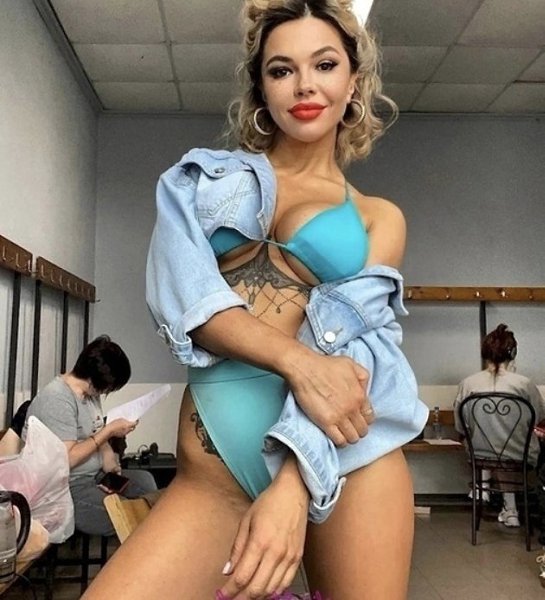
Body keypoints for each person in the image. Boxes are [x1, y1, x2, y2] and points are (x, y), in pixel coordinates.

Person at [84, 2, 428, 598]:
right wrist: (298, 362)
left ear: (354, 81)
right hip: (214, 478)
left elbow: (358, 357)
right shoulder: (196, 181)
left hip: (349, 459)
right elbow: (185, 299)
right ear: (261, 88)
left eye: (325, 64)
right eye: (281, 69)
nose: (304, 85)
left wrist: (294, 485)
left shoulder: (379, 218)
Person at [23, 335, 157, 536]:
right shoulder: (57, 398)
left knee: (148, 487)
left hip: (95, 477)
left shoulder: (89, 394)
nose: (106, 392)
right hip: (66, 487)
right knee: (132, 514)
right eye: (110, 387)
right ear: (98, 380)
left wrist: (109, 459)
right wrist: (109, 431)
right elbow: (66, 459)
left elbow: (95, 431)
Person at [454, 323, 545, 529]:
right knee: (512, 446)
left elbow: (461, 425)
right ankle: (512, 509)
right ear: (512, 353)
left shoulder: (468, 384)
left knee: (491, 444)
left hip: (479, 454)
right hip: (519, 455)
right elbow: (539, 416)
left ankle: (485, 490)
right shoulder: (524, 384)